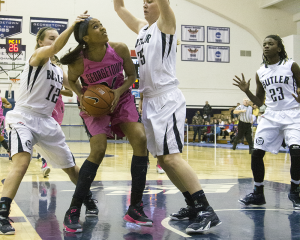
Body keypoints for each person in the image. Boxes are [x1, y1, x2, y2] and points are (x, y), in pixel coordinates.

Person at [114, 0, 221, 233]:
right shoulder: (143, 29)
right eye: (143, 1)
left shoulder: (166, 22)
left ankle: (206, 210)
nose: (145, 5)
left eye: (150, 1)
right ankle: (192, 204)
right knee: (162, 160)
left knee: (172, 158)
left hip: (166, 98)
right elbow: (119, 9)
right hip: (150, 100)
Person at [0, 13, 98, 235]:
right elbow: (54, 51)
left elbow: (72, 86)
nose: (54, 41)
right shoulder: (37, 57)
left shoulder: (57, 69)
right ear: (40, 42)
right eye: (50, 38)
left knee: (71, 168)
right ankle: (2, 213)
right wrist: (72, 24)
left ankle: (88, 199)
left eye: (57, 37)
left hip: (47, 122)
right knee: (22, 162)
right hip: (23, 117)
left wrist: (86, 97)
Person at [59, 15, 152, 232]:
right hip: (95, 105)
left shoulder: (118, 49)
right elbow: (72, 81)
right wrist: (82, 96)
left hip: (121, 98)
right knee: (98, 149)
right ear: (86, 38)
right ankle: (73, 210)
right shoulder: (79, 61)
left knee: (140, 139)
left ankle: (135, 207)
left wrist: (118, 92)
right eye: (95, 27)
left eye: (101, 24)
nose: (102, 28)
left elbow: (131, 75)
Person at [233, 35, 300, 209]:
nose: (266, 46)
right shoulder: (260, 72)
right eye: (264, 44)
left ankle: (295, 190)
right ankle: (258, 193)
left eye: (271, 44)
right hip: (271, 115)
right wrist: (247, 92)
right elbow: (260, 101)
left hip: (293, 113)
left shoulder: (291, 65)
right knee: (256, 153)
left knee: (296, 152)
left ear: (279, 48)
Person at [38, 86, 73, 178]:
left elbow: (70, 93)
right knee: (44, 134)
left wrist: (57, 90)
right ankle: (44, 163)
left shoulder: (61, 73)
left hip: (57, 106)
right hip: (43, 104)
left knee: (53, 134)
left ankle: (67, 159)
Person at [0, 94, 12, 159]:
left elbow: (10, 105)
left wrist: (6, 106)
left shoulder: (2, 99)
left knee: (1, 138)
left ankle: (9, 151)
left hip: (0, 120)